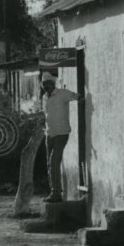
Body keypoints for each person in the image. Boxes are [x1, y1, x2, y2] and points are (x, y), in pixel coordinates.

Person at [40, 71, 82, 203]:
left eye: (48, 84)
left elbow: (79, 97)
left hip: (61, 133)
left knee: (53, 161)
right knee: (50, 164)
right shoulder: (45, 98)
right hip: (49, 133)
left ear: (53, 84)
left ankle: (56, 193)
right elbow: (46, 114)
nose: (46, 86)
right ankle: (55, 192)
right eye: (44, 84)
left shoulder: (62, 94)